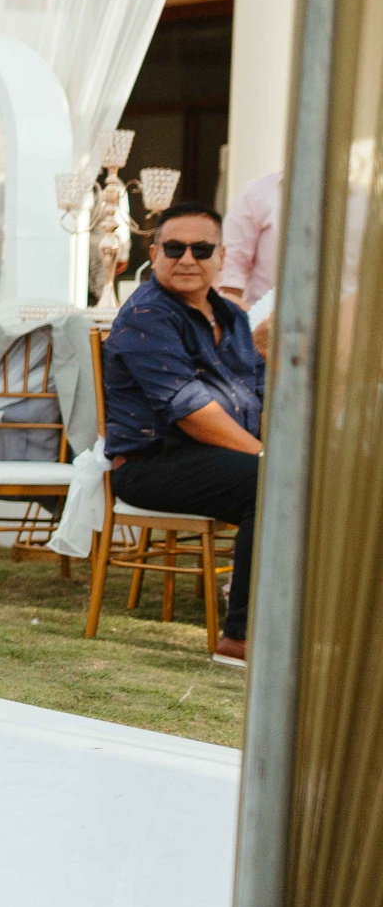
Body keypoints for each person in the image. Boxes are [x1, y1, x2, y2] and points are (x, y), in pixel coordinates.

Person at [104, 201, 264, 667]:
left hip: (217, 460)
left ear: (222, 256)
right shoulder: (146, 315)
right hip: (151, 464)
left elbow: (261, 394)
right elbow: (189, 411)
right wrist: (267, 456)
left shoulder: (232, 318)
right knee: (271, 485)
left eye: (201, 248)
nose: (187, 258)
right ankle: (241, 638)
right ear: (153, 254)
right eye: (174, 247)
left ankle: (304, 625)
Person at [219, 170, 281, 308]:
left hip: (338, 320)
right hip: (267, 322)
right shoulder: (257, 193)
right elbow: (232, 271)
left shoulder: (340, 196)